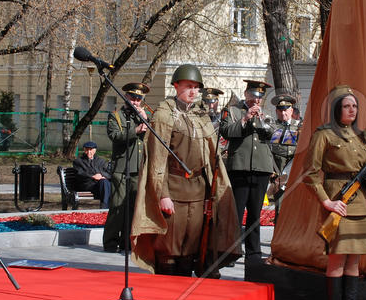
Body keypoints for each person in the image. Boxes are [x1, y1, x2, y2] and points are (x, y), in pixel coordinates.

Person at [131, 64, 237, 277]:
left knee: (191, 247)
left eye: (196, 87)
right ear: (176, 86)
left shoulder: (201, 116)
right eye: (188, 86)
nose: (193, 91)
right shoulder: (164, 115)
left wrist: (210, 194)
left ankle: (186, 287)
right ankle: (167, 288)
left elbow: (210, 158)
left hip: (198, 191)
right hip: (173, 191)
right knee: (169, 248)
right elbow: (157, 160)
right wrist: (163, 195)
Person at [302, 85, 366, 300]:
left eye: (355, 106)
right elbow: (310, 173)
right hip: (339, 202)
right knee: (337, 261)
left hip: (360, 203)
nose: (352, 110)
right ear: (336, 109)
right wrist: (326, 202)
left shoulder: (361, 136)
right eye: (346, 106)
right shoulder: (324, 134)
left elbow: (365, 171)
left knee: (354, 262)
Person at [221, 79, 275, 263]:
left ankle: (254, 254)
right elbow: (226, 131)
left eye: (260, 97)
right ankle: (231, 252)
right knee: (236, 213)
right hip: (240, 167)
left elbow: (273, 134)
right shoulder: (233, 111)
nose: (257, 100)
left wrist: (263, 120)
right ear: (246, 94)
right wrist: (245, 119)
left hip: (261, 168)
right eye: (254, 95)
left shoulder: (266, 114)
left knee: (255, 213)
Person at [104, 82, 150, 253]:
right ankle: (110, 243)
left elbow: (152, 138)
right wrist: (135, 130)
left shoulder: (143, 117)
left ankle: (127, 242)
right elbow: (115, 136)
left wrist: (145, 120)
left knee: (132, 207)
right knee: (118, 207)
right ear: (126, 97)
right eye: (133, 98)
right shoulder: (116, 116)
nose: (136, 102)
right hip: (121, 168)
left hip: (138, 168)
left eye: (139, 99)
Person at [268, 94, 301, 212]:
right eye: (280, 110)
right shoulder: (271, 127)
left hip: (295, 169)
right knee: (280, 207)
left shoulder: (300, 126)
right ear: (276, 111)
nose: (283, 113)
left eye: (286, 110)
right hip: (278, 171)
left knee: (296, 207)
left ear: (291, 110)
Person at [73, 141, 112, 209]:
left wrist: (101, 175)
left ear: (95, 150)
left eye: (90, 149)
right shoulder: (78, 161)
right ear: (84, 150)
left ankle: (105, 207)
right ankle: (105, 208)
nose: (89, 152)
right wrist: (92, 176)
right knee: (105, 185)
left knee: (105, 182)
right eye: (86, 150)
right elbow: (79, 173)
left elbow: (109, 173)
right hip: (87, 184)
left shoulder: (101, 161)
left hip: (100, 185)